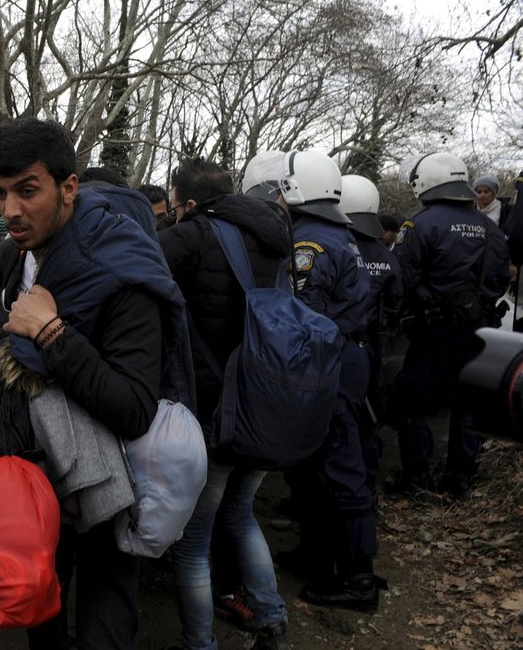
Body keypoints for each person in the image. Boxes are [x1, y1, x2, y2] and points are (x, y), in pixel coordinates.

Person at [0, 118, 194, 650]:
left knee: (105, 619)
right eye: (1, 193)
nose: (11, 210)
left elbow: (133, 409)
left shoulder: (121, 272)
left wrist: (54, 335)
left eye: (28, 190)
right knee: (41, 601)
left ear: (68, 187)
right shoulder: (22, 248)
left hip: (107, 484)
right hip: (38, 475)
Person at [158, 157, 291, 650]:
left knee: (195, 542)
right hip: (267, 403)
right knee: (242, 515)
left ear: (188, 201)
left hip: (215, 409)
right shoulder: (277, 234)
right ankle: (273, 624)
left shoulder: (192, 234)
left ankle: (200, 643)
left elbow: (131, 266)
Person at [276, 151, 379, 613]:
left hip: (329, 364)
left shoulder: (310, 242)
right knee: (319, 463)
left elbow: (306, 318)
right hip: (350, 356)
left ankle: (358, 580)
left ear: (297, 189)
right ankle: (318, 553)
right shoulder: (342, 233)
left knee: (339, 465)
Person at [392, 153, 510, 498]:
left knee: (411, 397)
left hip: (432, 333)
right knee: (468, 400)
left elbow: (402, 279)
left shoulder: (420, 224)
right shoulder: (490, 227)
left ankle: (417, 474)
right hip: (479, 329)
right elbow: (500, 279)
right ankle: (461, 476)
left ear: (425, 182)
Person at [339, 175, 403, 491]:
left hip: (342, 346)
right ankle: (367, 485)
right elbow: (396, 302)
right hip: (375, 348)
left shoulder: (337, 246)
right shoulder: (387, 255)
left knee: (341, 421)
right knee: (368, 417)